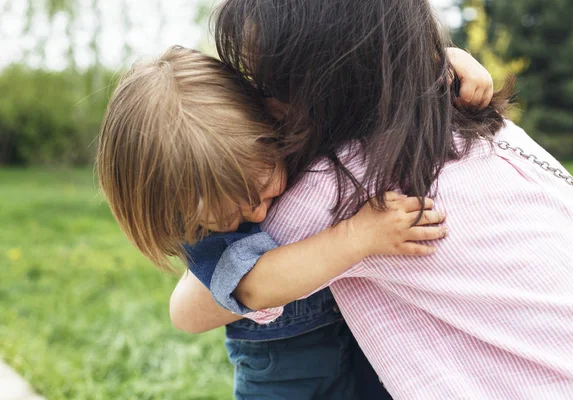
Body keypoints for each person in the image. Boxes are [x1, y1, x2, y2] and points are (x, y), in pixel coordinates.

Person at [170, 0, 573, 398]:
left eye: (265, 84)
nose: (259, 104)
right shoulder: (485, 126)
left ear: (320, 83)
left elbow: (190, 310)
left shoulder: (339, 185)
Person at [97, 46, 473, 399]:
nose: (258, 215)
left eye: (262, 191)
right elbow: (258, 286)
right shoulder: (207, 238)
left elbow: (370, 83)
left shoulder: (287, 126)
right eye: (230, 217)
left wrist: (446, 64)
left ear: (266, 121)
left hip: (360, 345)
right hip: (283, 376)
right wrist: (359, 235)